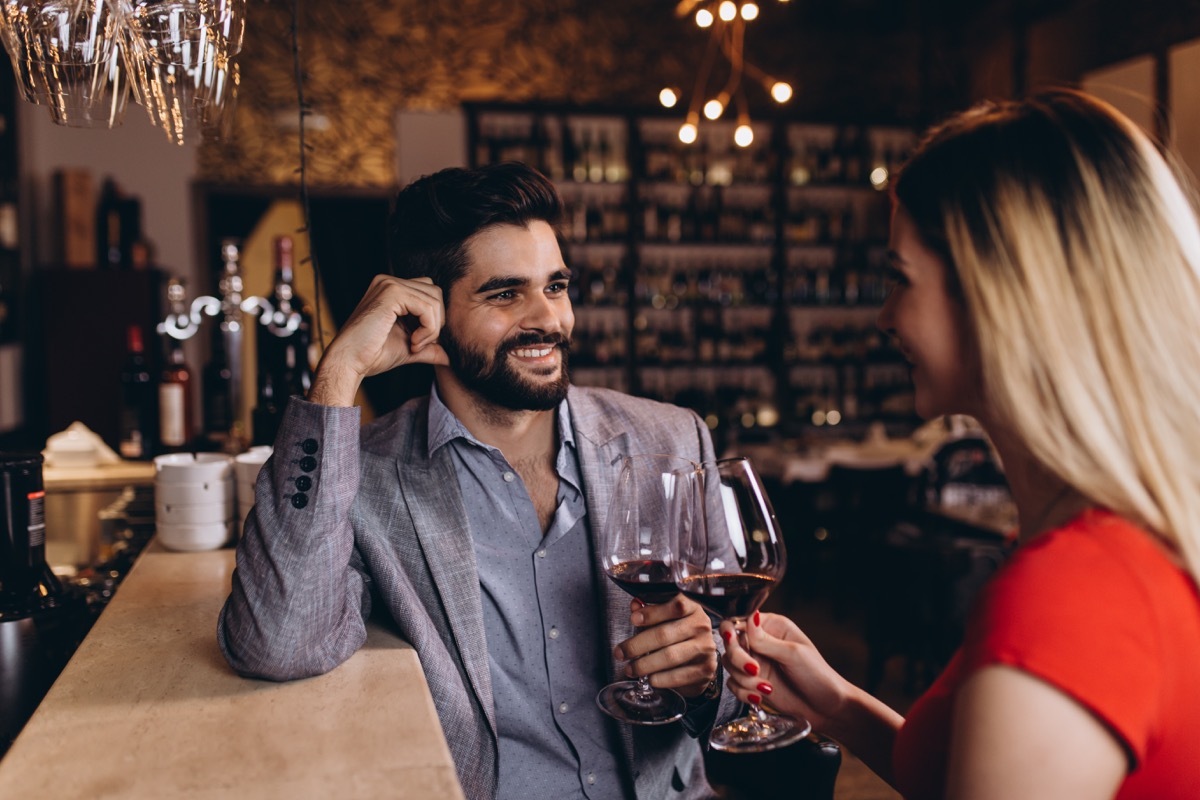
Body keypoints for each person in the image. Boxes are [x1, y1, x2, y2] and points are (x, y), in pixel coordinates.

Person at [720, 89, 1200, 799]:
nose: (885, 317)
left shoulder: (1074, 590)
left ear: (1000, 297)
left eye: (899, 279)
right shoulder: (1108, 540)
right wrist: (839, 709)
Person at [217, 162, 737, 800]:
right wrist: (340, 372)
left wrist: (708, 680)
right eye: (505, 294)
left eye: (557, 286)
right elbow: (276, 645)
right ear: (426, 312)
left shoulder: (672, 441)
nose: (548, 319)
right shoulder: (365, 474)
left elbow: (735, 679)